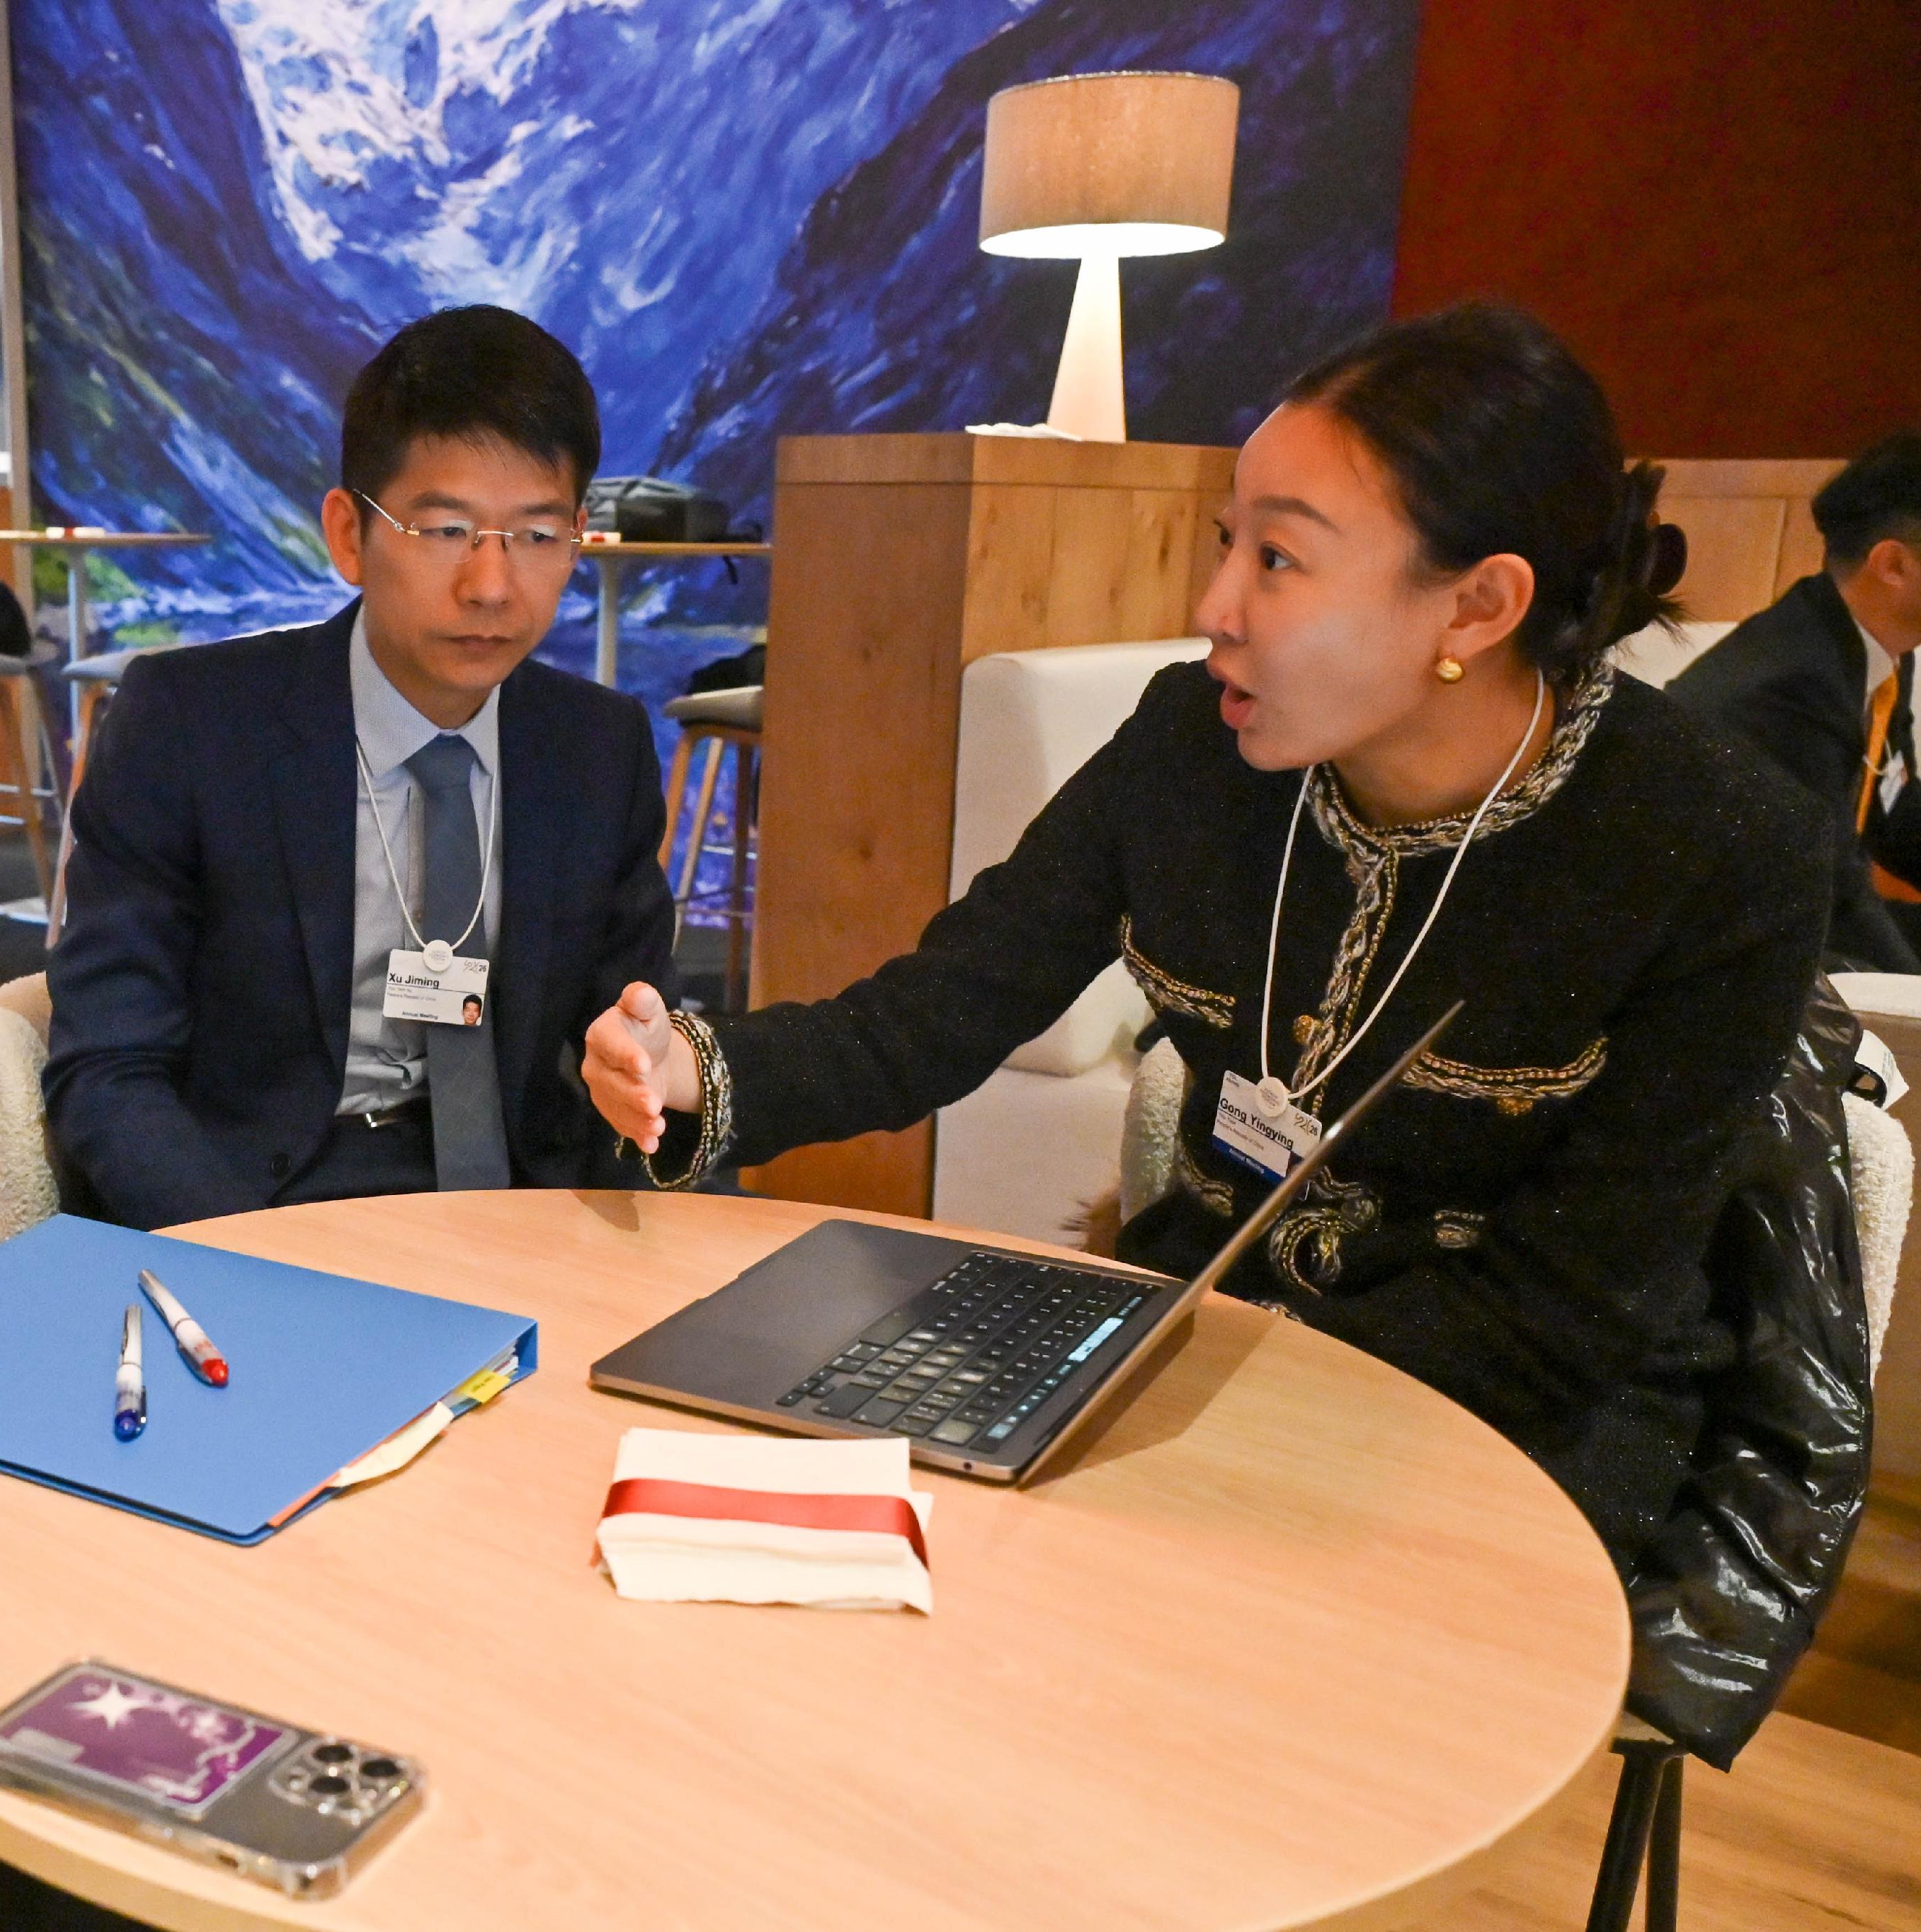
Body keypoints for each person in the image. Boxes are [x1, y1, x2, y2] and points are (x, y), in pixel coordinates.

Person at [582, 304, 1828, 1576]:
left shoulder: (1715, 850)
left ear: (1477, 605)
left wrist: (1193, 1441)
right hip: (1197, 1332)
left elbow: (1568, 1313)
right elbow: (938, 1010)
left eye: (1279, 562)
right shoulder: (1196, 744)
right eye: (1230, 542)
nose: (1213, 605)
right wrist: (688, 1065)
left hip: (1513, 1423)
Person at [42, 304, 678, 1230]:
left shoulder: (598, 749)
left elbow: (625, 1041)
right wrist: (244, 1259)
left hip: (518, 1217)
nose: (492, 584)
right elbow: (107, 1068)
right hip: (264, 1207)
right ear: (350, 535)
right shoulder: (187, 725)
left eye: (538, 535)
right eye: (446, 530)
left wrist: (643, 1065)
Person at [1670, 431, 1921, 969]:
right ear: (1894, 565)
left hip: (1804, 909)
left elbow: (1896, 811)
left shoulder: (1884, 653)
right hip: (1714, 947)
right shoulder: (1791, 685)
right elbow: (1833, 889)